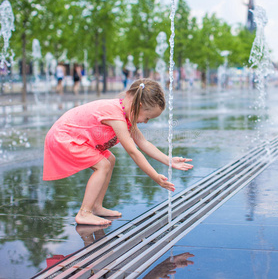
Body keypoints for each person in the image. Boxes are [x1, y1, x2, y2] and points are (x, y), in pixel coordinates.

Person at [43, 78, 193, 226]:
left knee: (110, 160)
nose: (146, 122)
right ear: (138, 106)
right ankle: (84, 212)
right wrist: (155, 177)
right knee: (102, 165)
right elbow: (133, 152)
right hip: (64, 137)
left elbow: (143, 143)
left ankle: (96, 206)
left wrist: (169, 160)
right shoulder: (115, 115)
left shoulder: (126, 115)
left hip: (75, 138)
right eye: (147, 117)